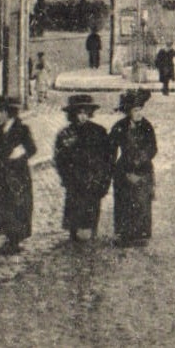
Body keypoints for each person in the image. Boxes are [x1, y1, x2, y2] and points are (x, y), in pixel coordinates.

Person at [54, 94, 112, 242]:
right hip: (74, 183)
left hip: (93, 182)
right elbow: (59, 159)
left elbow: (107, 159)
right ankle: (74, 238)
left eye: (86, 113)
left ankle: (91, 236)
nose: (83, 117)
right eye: (79, 113)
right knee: (74, 218)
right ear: (73, 115)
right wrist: (66, 178)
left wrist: (103, 181)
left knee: (90, 218)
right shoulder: (66, 134)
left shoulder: (99, 132)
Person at [0, 96, 37, 253]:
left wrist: (20, 152)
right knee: (3, 206)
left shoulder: (22, 129)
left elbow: (32, 149)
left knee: (18, 205)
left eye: (1, 112)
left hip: (18, 176)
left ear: (9, 113)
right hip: (0, 175)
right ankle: (8, 237)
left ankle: (15, 240)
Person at [109, 88, 157, 246]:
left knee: (142, 201)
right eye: (136, 110)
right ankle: (124, 234)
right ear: (129, 111)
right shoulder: (119, 127)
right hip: (124, 169)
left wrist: (141, 160)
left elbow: (153, 148)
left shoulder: (147, 126)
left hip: (143, 169)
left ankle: (141, 234)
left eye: (141, 109)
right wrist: (120, 171)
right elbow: (111, 150)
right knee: (124, 201)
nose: (139, 113)